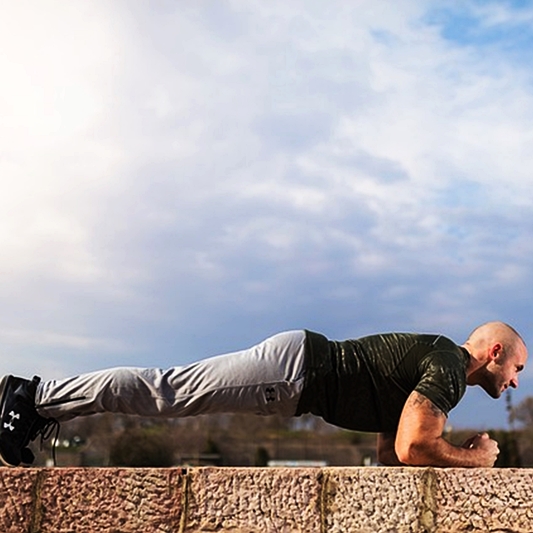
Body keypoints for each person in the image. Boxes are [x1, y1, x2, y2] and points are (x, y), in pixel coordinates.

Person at [0, 321, 527, 468]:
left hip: (296, 371)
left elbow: (394, 453)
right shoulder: (450, 368)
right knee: (167, 392)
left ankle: (34, 405)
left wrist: (439, 452)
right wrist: (475, 458)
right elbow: (417, 447)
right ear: (495, 350)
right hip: (294, 373)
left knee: (168, 392)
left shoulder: (436, 365)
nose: (517, 382)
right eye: (518, 368)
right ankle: (34, 396)